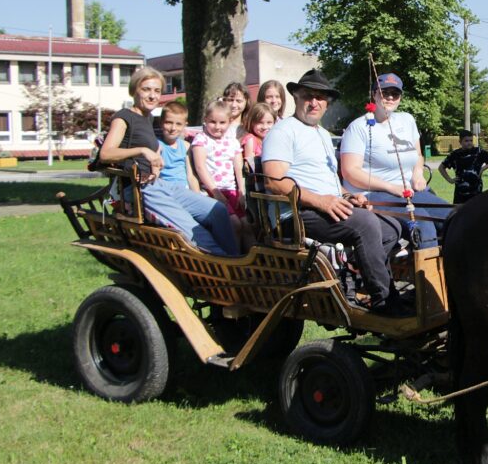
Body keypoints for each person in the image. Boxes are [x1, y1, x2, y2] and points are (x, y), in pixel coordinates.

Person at [261, 69, 409, 316]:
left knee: (392, 227)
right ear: (296, 96)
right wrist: (321, 201)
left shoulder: (321, 134)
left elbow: (329, 181)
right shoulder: (283, 131)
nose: (314, 102)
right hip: (296, 214)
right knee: (366, 225)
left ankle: (352, 277)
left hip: (325, 206)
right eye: (308, 95)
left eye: (321, 98)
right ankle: (385, 301)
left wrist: (349, 196)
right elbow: (274, 181)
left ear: (327, 104)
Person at [98, 67, 238, 256]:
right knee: (196, 232)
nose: (152, 95)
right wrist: (143, 150)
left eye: (156, 91)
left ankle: (237, 260)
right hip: (139, 189)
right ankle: (225, 271)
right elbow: (105, 154)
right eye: (146, 89)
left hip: (159, 183)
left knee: (218, 211)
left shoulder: (147, 119)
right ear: (134, 90)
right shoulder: (124, 117)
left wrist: (154, 162)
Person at [339, 72, 452, 249]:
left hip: (409, 190)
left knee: (453, 217)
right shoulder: (358, 127)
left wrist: (417, 174)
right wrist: (391, 187)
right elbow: (350, 172)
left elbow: (418, 155)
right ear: (374, 94)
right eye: (384, 93)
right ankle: (423, 275)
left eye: (395, 93)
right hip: (373, 194)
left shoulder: (407, 120)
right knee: (423, 225)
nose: (390, 97)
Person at [191, 100, 252, 247]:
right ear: (205, 120)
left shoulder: (232, 141)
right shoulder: (201, 140)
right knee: (234, 224)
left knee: (248, 225)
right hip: (213, 190)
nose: (217, 127)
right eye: (212, 122)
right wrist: (216, 192)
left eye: (222, 122)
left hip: (231, 190)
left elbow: (238, 166)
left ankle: (251, 260)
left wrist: (241, 190)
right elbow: (200, 167)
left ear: (229, 122)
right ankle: (233, 258)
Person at [439, 130, 488, 203]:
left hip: (476, 192)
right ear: (460, 142)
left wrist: (482, 169)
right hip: (460, 193)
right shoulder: (455, 154)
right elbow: (441, 167)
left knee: (476, 212)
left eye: (471, 140)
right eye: (466, 141)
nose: (469, 143)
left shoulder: (478, 152)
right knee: (460, 213)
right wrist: (450, 180)